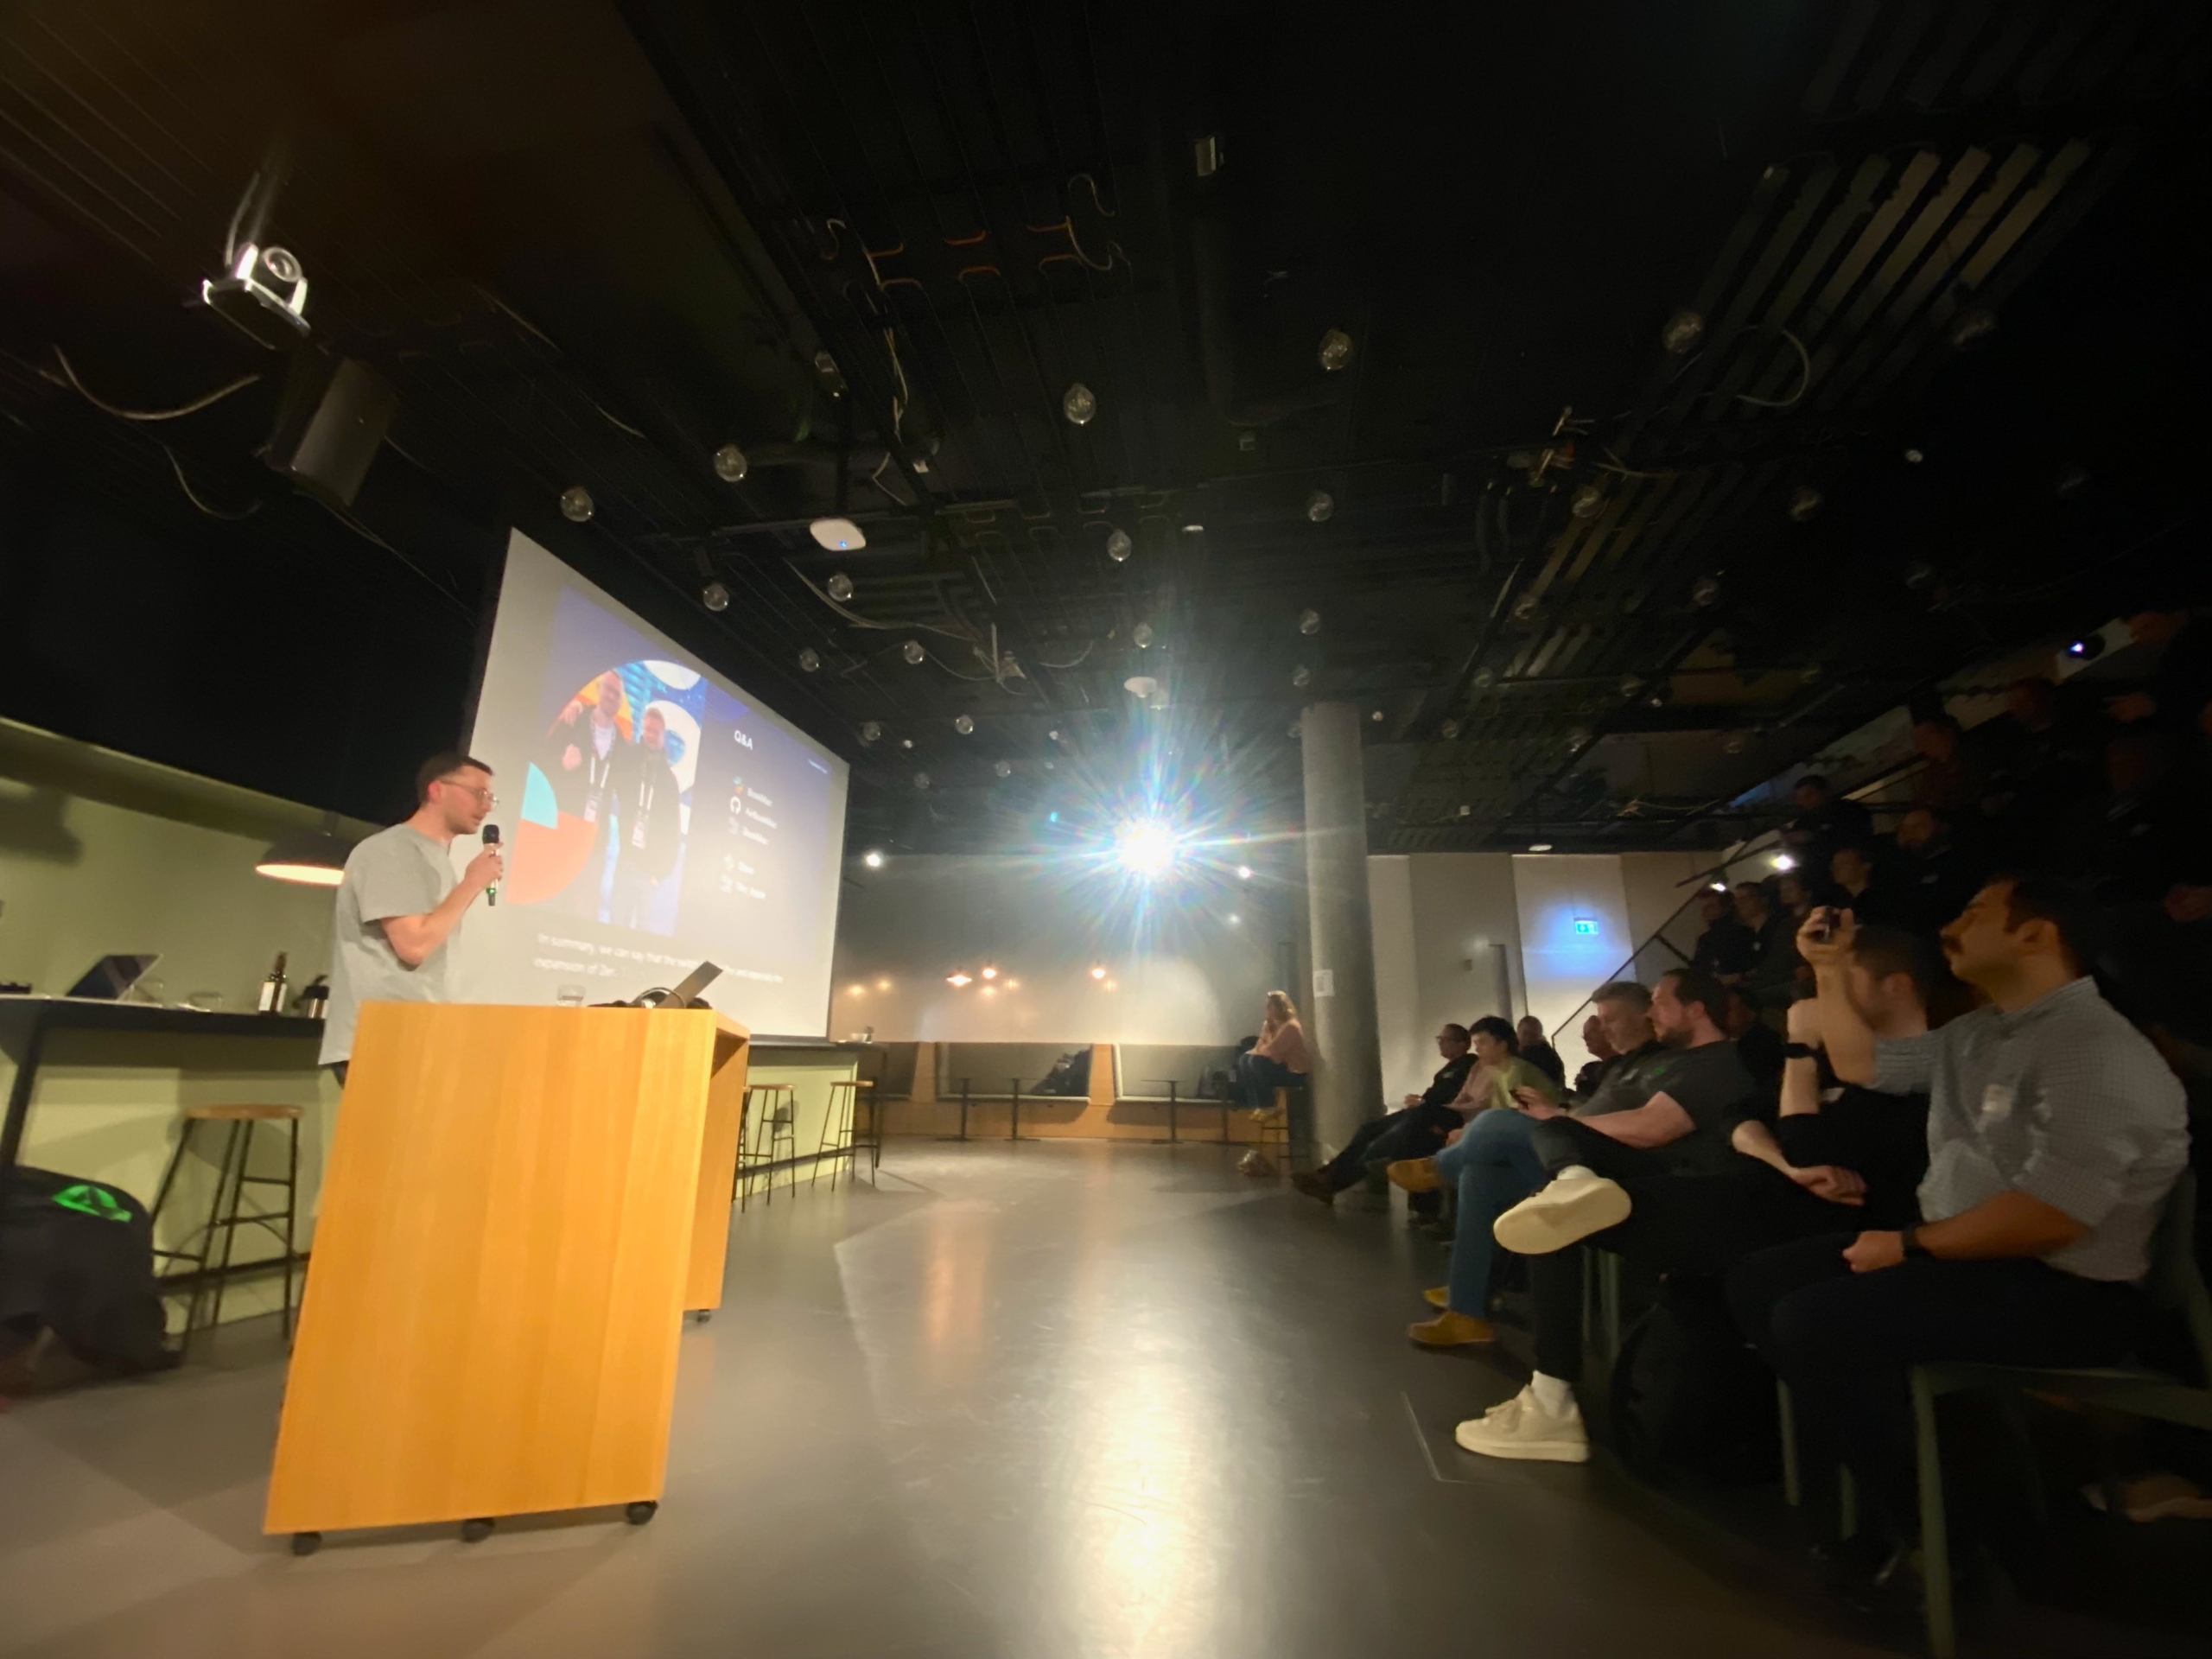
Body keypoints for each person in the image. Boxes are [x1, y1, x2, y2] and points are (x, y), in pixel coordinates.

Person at [1726, 881, 2188, 1600]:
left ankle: (1942, 1536)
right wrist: (1830, 968)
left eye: (1975, 914)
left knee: (1816, 1321)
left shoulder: (2093, 1047)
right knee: (1759, 1281)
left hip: (2069, 1289)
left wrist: (1910, 1245)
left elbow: (2054, 1218)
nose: (1952, 926)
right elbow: (1864, 1066)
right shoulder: (1981, 1032)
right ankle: (1923, 1503)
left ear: (2036, 935)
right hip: (1979, 1261)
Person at [1449, 967, 1783, 1462]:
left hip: (1695, 1199)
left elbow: (1652, 1128)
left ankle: (1552, 1400)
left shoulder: (1718, 1062)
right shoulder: (1673, 1063)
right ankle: (1547, 1390)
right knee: (1542, 1194)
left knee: (1549, 1184)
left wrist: (1562, 1121)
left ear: (1695, 1009)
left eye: (1660, 1002)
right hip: (1649, 1181)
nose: (1652, 1012)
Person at [1391, 982, 1657, 1347]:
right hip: (1568, 1152)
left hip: (1597, 1169)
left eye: (1609, 1019)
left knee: (1493, 1122)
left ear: (1645, 1016)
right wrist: (1560, 1113)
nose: (1602, 1029)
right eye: (1599, 1021)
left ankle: (1437, 1169)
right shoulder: (1619, 1067)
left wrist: (1561, 1117)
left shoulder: (1658, 1066)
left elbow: (1641, 1125)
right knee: (1478, 1176)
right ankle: (1467, 1312)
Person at [1726, 924, 1934, 1232]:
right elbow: (1737, 1117)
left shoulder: (1913, 1076)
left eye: (1841, 982)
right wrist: (1786, 1167)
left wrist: (1800, 1045)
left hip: (1856, 1233)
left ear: (1895, 987)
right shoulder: (1830, 1059)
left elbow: (1807, 1153)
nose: (1827, 997)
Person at [318, 753, 504, 1084]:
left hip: (418, 1036)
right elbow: (414, 945)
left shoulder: (437, 858)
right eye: (478, 793)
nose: (486, 806)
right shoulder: (392, 850)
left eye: (490, 797)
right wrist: (473, 882)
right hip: (382, 1040)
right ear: (436, 790)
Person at [1292, 1018, 1544, 1204]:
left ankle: (1376, 1163)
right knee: (1370, 1129)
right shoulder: (1482, 1068)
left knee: (1407, 1128)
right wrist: (1430, 1103)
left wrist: (1446, 1113)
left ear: (1501, 1044)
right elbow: (1466, 1098)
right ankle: (1330, 1174)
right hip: (1453, 1113)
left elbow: (1492, 1107)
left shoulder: (1504, 1070)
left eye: (1482, 1043)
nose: (1478, 1049)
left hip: (1464, 1118)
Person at [609, 705, 684, 929]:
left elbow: (673, 831)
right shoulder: (631, 761)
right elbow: (609, 735)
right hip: (626, 862)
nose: (651, 735)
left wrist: (659, 874)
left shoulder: (669, 781)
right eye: (648, 730)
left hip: (649, 872)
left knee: (640, 938)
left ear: (663, 736)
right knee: (615, 928)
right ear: (643, 730)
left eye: (656, 732)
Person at [1893, 807, 1981, 938]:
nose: (1910, 833)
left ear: (1943, 827)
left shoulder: (1962, 866)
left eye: (1919, 826)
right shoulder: (1897, 872)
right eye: (1903, 829)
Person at [1780, 774, 1872, 886]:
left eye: (1809, 795)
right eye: (1799, 798)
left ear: (1825, 792)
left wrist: (1813, 836)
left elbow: (1854, 835)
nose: (1805, 801)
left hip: (1853, 873)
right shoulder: (1802, 823)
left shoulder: (1849, 810)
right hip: (1819, 880)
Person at [1236, 990, 1310, 1108]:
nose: (1266, 1008)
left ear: (1280, 1007)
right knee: (1244, 1060)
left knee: (1256, 1062)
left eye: (1270, 1005)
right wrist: (1263, 1049)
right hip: (1279, 1064)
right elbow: (1260, 1047)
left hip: (1294, 1073)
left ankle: (1266, 1106)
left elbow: (1271, 1051)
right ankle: (1254, 1106)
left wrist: (1264, 1049)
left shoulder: (1291, 1026)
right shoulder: (1269, 1025)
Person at [1691, 887, 1756, 980]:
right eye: (1703, 909)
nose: (1705, 912)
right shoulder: (1706, 939)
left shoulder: (1740, 931)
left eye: (1710, 907)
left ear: (1724, 907)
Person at [1571, 1014, 1616, 1096]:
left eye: (1591, 1032)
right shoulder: (1589, 1069)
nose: (1585, 1038)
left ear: (1606, 1032)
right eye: (1584, 1035)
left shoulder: (1630, 1062)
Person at [1517, 1014, 1567, 1089]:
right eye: (1525, 1033)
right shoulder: (1510, 1051)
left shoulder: (1548, 1058)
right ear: (1517, 1032)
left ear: (1539, 1036)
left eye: (1533, 1035)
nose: (1528, 1038)